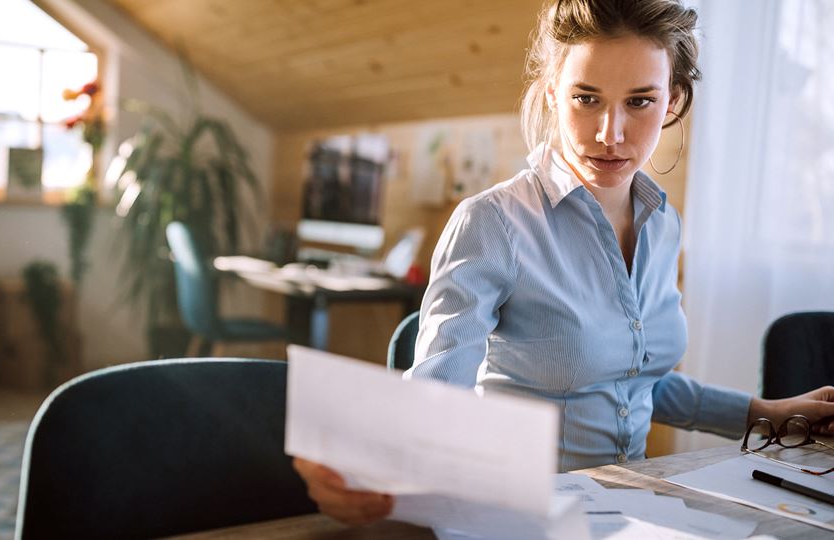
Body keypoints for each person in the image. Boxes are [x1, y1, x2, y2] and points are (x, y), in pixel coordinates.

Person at [294, 0, 834, 526]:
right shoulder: (494, 222)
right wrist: (369, 465)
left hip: (636, 509)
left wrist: (771, 413)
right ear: (552, 93)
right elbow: (437, 391)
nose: (610, 133)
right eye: (587, 98)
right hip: (521, 516)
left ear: (672, 100)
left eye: (640, 101)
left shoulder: (664, 226)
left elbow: (636, 379)